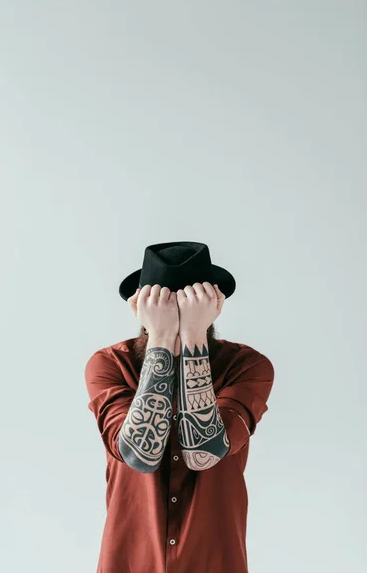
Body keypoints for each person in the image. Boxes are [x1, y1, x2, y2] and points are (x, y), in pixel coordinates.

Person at [84, 241, 274, 573]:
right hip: (130, 561)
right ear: (139, 306)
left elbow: (204, 451)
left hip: (214, 561)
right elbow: (138, 456)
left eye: (188, 303)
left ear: (214, 304)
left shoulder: (247, 366)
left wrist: (192, 335)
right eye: (164, 303)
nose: (176, 309)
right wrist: (161, 336)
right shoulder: (110, 364)